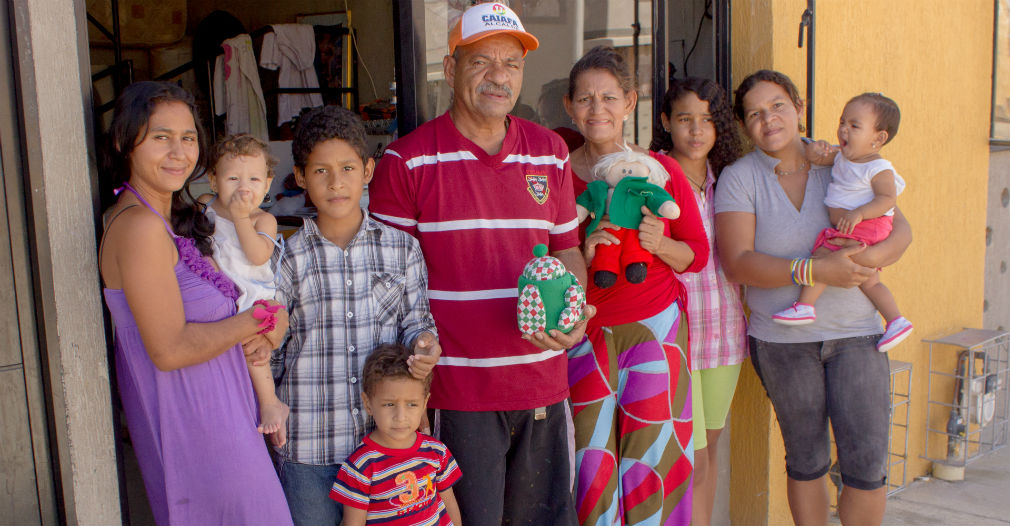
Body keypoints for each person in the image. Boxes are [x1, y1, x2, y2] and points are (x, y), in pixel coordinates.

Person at [368, 3, 591, 525]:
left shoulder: (549, 152)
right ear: (450, 69)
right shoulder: (407, 162)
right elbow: (387, 286)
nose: (499, 76)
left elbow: (567, 253)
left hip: (542, 383)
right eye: (481, 62)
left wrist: (573, 312)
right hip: (456, 391)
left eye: (511, 64)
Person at [714, 70, 912, 526]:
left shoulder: (842, 158)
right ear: (745, 126)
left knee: (865, 463)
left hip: (859, 335)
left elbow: (901, 229)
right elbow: (738, 263)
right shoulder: (740, 179)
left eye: (778, 105)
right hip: (783, 342)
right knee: (806, 458)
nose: (769, 119)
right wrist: (817, 269)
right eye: (755, 113)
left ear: (799, 107)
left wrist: (865, 259)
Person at [98, 81, 292, 526]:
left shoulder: (168, 220)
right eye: (160, 137)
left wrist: (267, 324)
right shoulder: (140, 228)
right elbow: (170, 349)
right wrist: (260, 318)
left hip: (222, 418)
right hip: (198, 430)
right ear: (123, 141)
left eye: (187, 139)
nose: (178, 152)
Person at [271, 105, 441, 526]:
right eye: (321, 171)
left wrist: (426, 346)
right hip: (309, 446)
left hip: (386, 445)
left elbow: (417, 323)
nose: (336, 182)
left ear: (368, 170)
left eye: (347, 168)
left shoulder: (401, 248)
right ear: (300, 177)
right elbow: (272, 351)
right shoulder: (286, 258)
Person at [563, 46, 709, 526]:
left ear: (629, 102)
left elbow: (697, 254)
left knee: (654, 461)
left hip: (656, 330)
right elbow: (538, 261)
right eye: (584, 99)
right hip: (582, 335)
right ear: (569, 108)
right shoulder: (558, 176)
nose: (596, 109)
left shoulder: (661, 172)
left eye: (608, 97)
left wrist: (659, 243)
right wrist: (582, 258)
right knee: (590, 465)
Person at [650, 76, 746, 526]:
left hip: (725, 335)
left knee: (708, 455)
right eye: (685, 118)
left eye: (707, 120)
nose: (696, 130)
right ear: (666, 121)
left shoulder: (729, 181)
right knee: (687, 458)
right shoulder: (650, 177)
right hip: (674, 336)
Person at [771, 93, 913, 352]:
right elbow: (819, 158)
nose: (843, 129)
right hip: (856, 226)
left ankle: (805, 306)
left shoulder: (879, 167)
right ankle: (896, 320)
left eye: (854, 126)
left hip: (867, 224)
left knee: (824, 255)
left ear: (878, 138)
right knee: (870, 281)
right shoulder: (844, 158)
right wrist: (816, 149)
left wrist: (859, 213)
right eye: (842, 122)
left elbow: (887, 199)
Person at [197, 133, 289, 443]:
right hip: (216, 294)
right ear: (213, 180)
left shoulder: (264, 220)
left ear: (267, 184)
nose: (243, 187)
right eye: (232, 178)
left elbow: (257, 255)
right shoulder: (204, 207)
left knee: (253, 351)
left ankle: (270, 402)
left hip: (252, 298)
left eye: (253, 178)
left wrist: (240, 219)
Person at [330, 343, 463, 526]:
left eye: (412, 404)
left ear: (424, 404)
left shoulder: (436, 451)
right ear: (368, 404)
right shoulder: (361, 466)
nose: (400, 417)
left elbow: (449, 503)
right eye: (389, 404)